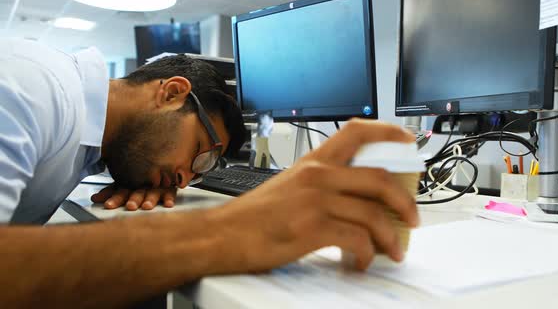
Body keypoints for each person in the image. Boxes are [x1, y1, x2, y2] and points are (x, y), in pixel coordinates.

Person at [0, 39, 418, 308]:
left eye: (199, 171)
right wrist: (232, 230)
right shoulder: (30, 89)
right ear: (172, 92)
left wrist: (135, 172)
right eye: (199, 154)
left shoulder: (93, 140)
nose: (184, 180)